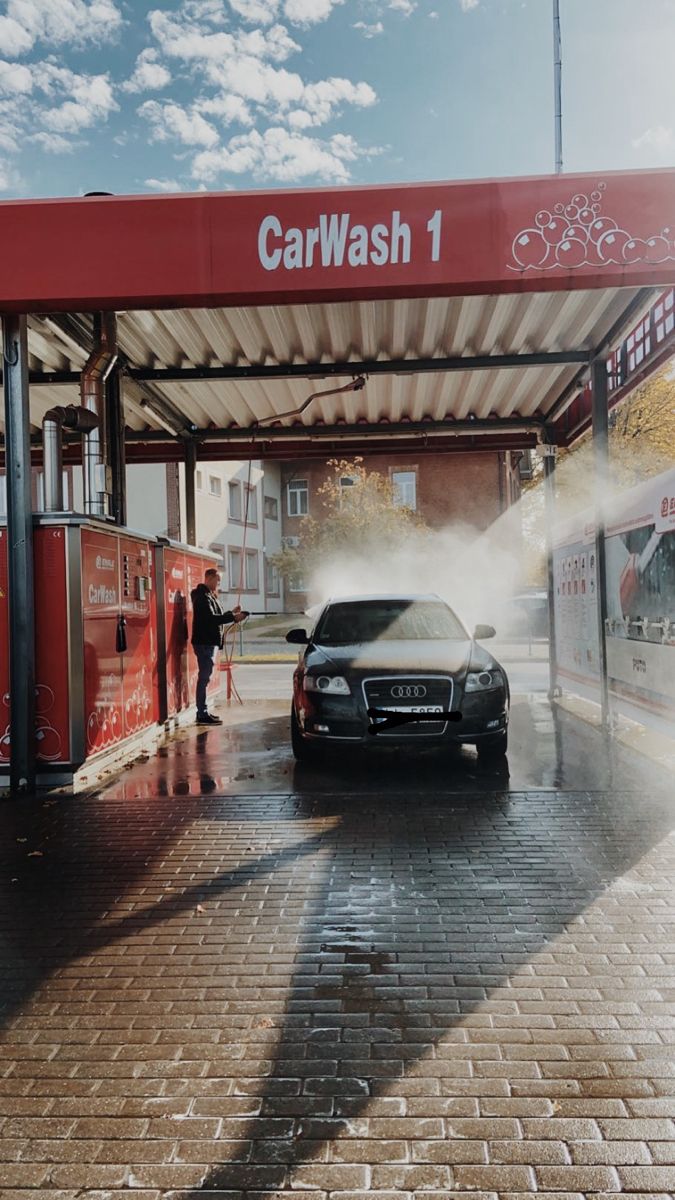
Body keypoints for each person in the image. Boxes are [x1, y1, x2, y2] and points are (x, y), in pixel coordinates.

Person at [190, 569, 248, 724]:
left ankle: (203, 711)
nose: (218, 584)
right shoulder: (202, 597)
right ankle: (201, 714)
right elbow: (210, 619)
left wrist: (232, 613)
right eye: (217, 580)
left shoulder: (208, 596)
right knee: (204, 678)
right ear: (208, 578)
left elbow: (216, 615)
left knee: (205, 677)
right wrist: (233, 617)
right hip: (205, 643)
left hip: (208, 642)